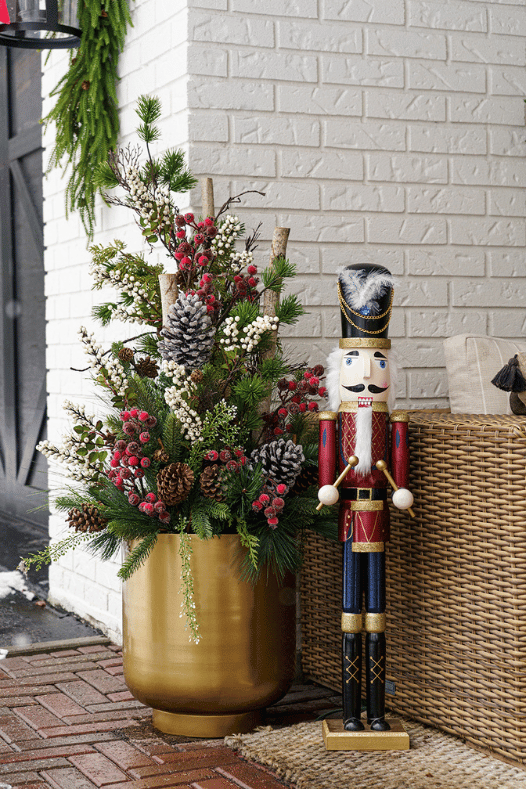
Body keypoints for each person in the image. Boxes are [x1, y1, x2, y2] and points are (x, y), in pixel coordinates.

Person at [318, 263, 413, 732]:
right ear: (341, 368)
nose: (368, 374)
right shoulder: (333, 421)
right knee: (348, 613)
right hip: (350, 510)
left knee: (376, 612)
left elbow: (398, 463)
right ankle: (350, 714)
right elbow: (326, 456)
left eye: (379, 362)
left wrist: (400, 487)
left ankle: (376, 714)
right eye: (355, 361)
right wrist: (327, 485)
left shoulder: (393, 422)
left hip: (379, 509)